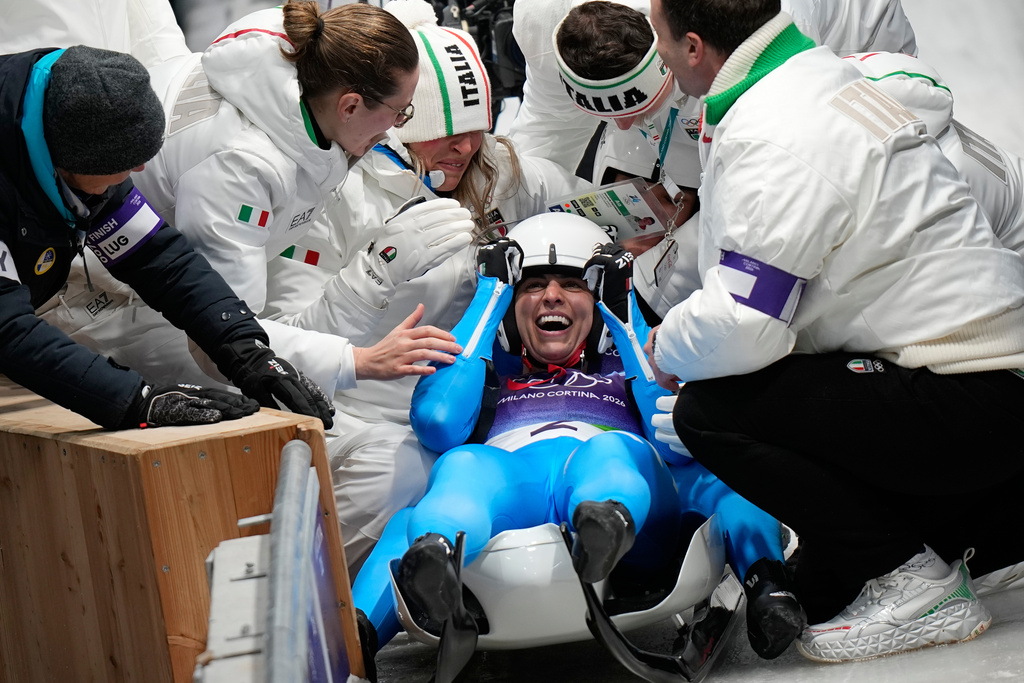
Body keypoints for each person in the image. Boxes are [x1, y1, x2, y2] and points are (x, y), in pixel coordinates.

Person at [644, 0, 1024, 663]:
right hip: (989, 394)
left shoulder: (773, 128)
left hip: (968, 406)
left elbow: (745, 324)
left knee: (709, 411)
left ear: (696, 46)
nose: (663, 58)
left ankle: (918, 586)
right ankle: (984, 537)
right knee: (813, 589)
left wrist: (669, 344)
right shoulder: (818, 76)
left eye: (661, 41)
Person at [349, 213, 803, 680]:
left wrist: (625, 315)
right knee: (463, 465)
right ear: (508, 302)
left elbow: (677, 434)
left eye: (571, 284)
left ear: (599, 295)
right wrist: (489, 298)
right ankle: (409, 582)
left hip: (633, 522)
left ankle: (766, 585)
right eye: (530, 286)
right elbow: (437, 423)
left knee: (637, 458)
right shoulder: (484, 366)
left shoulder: (638, 355)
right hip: (512, 492)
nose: (551, 296)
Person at [262, 0, 591, 574]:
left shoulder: (493, 167)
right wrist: (370, 275)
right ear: (399, 122)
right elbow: (275, 341)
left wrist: (642, 226)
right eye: (443, 136)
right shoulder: (325, 193)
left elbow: (583, 207)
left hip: (475, 399)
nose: (462, 149)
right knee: (408, 476)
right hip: (360, 411)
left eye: (474, 132)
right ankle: (316, 607)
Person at [41, 0, 469, 404]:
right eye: (399, 112)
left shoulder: (303, 60)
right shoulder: (240, 167)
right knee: (251, 398)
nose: (397, 128)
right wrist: (357, 361)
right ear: (350, 105)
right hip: (89, 290)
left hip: (146, 254)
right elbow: (222, 343)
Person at [0, 45, 332, 430]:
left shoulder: (71, 125)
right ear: (69, 161)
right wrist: (135, 400)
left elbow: (155, 257)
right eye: (124, 165)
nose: (139, 169)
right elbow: (7, 330)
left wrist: (244, 347)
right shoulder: (70, 140)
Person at [510, 0, 917, 179]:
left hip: (854, 40)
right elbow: (547, 128)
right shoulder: (544, 17)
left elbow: (757, 178)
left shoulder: (756, 24)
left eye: (637, 105)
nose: (622, 125)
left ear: (687, 48)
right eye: (605, 113)